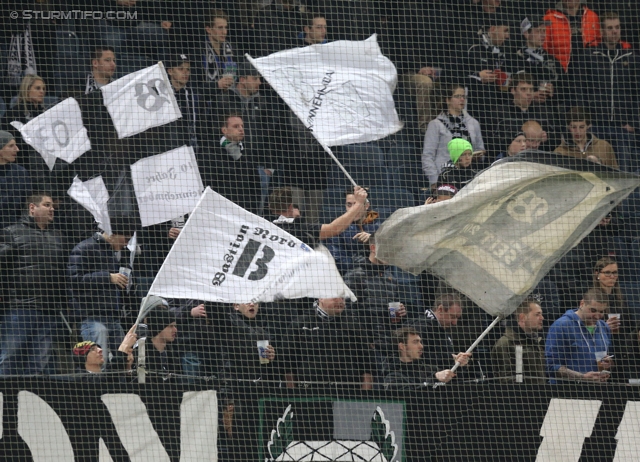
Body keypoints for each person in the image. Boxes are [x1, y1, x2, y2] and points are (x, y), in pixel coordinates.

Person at [0, 193, 67, 375]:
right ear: (32, 208)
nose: (52, 208)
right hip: (19, 308)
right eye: (47, 205)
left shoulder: (58, 236)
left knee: (40, 363)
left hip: (49, 310)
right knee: (10, 358)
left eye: (52, 205)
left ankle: (35, 402)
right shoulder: (11, 233)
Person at [67, 218, 137, 365]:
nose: (125, 244)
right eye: (125, 239)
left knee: (124, 361)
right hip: (92, 317)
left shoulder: (116, 254)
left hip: (113, 317)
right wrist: (108, 277)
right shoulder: (83, 248)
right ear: (113, 234)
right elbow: (75, 280)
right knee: (99, 363)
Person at [219, 302, 278, 460]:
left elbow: (263, 366)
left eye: (255, 301)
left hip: (258, 397)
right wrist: (228, 399)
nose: (252, 304)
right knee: (238, 446)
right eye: (247, 300)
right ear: (236, 306)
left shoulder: (262, 331)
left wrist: (271, 358)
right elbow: (227, 367)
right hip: (236, 396)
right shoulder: (228, 325)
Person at [283, 297, 374, 390]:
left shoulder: (353, 325)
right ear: (321, 298)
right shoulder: (300, 323)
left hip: (347, 391)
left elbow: (367, 363)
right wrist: (292, 393)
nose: (340, 302)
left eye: (342, 299)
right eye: (335, 298)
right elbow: (287, 362)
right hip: (308, 390)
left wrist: (365, 394)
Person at [573, 12, 638, 134]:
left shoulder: (631, 57)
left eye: (617, 27)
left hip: (623, 126)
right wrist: (585, 121)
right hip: (595, 125)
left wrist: (634, 122)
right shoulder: (589, 56)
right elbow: (579, 89)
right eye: (610, 28)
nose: (614, 31)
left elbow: (636, 92)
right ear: (601, 31)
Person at [421, 84, 485, 188]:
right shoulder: (436, 124)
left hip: (469, 176)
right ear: (447, 100)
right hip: (445, 177)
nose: (462, 99)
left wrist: (475, 155)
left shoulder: (473, 123)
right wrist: (435, 181)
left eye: (464, 96)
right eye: (457, 96)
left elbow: (480, 149)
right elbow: (428, 156)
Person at [545, 288, 612, 383]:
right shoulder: (561, 326)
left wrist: (607, 363)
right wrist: (582, 377)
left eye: (601, 312)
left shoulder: (604, 327)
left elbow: (607, 358)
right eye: (593, 310)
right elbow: (551, 367)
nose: (597, 316)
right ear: (582, 303)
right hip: (565, 392)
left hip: (596, 391)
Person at [200, 113, 262, 213]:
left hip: (245, 210)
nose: (241, 129)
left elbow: (255, 185)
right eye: (236, 126)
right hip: (221, 210)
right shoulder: (210, 152)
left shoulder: (247, 152)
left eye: (242, 126)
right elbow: (208, 184)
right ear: (224, 130)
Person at [268, 185, 368, 247]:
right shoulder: (301, 230)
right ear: (290, 207)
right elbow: (334, 228)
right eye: (296, 207)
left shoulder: (265, 226)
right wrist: (358, 203)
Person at [411, 293, 472, 379]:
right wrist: (450, 358)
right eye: (452, 316)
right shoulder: (421, 327)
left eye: (457, 318)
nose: (455, 322)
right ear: (440, 309)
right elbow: (418, 358)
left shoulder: (440, 328)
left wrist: (458, 363)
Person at [325, 189, 381, 273]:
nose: (352, 209)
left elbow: (388, 258)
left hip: (377, 275)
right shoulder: (337, 227)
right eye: (349, 205)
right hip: (349, 277)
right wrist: (359, 262)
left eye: (356, 204)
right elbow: (336, 260)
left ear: (366, 206)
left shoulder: (380, 226)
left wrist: (372, 239)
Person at [491, 299, 546, 383]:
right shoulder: (505, 343)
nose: (542, 318)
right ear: (522, 317)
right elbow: (505, 380)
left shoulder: (535, 341)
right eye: (537, 315)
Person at [383, 327, 456, 389]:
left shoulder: (431, 370)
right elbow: (411, 399)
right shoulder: (393, 377)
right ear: (402, 346)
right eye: (415, 342)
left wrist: (459, 365)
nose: (421, 346)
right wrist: (434, 379)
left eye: (420, 342)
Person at [516, 16, 564, 106]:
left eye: (544, 31)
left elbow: (565, 87)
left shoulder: (552, 60)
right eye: (538, 31)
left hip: (549, 110)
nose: (543, 35)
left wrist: (554, 91)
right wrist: (532, 95)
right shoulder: (515, 58)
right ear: (526, 34)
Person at [543, 0, 601, 72]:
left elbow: (600, 44)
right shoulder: (549, 19)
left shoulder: (592, 17)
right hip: (561, 76)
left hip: (590, 74)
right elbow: (543, 49)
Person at [554, 107, 619, 168]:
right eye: (573, 127)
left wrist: (599, 164)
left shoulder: (604, 146)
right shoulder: (560, 152)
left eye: (581, 127)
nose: (578, 131)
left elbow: (616, 175)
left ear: (588, 126)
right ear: (568, 127)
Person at [0, 131, 31, 229]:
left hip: (15, 229)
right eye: (11, 146)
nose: (17, 149)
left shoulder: (20, 172)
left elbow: (26, 203)